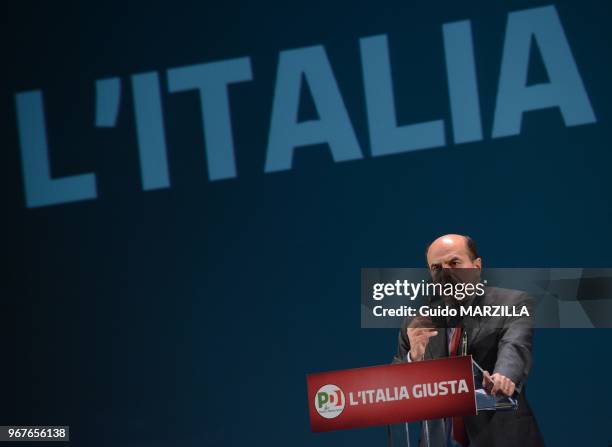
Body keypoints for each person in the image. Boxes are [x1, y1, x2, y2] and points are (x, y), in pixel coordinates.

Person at [393, 234, 544, 446]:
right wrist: (414, 359)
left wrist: (503, 376)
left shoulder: (512, 303)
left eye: (454, 263)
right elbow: (391, 391)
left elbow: (515, 346)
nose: (446, 272)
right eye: (437, 267)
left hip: (500, 437)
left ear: (476, 266)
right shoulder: (417, 323)